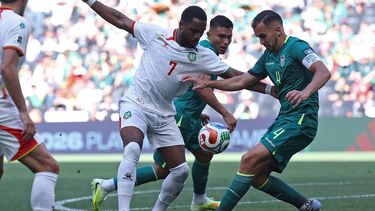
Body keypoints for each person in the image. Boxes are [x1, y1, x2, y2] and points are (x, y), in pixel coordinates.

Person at [82, 1, 275, 210]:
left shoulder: (202, 54)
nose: (196, 37)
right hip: (136, 104)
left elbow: (236, 77)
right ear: (180, 24)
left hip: (165, 113)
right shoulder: (155, 34)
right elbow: (120, 19)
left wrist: (269, 89)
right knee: (132, 149)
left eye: (200, 33)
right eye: (193, 31)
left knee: (181, 171)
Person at [184, 10, 331, 211]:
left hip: (301, 120)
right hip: (285, 119)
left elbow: (323, 72)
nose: (261, 41)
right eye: (258, 37)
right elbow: (243, 80)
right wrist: (209, 84)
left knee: (248, 160)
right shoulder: (268, 56)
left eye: (263, 36)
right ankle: (306, 205)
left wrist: (306, 92)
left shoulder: (297, 47)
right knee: (257, 176)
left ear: (278, 30)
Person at [0, 0, 60, 210]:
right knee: (47, 166)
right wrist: (24, 112)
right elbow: (7, 68)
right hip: (1, 108)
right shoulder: (17, 22)